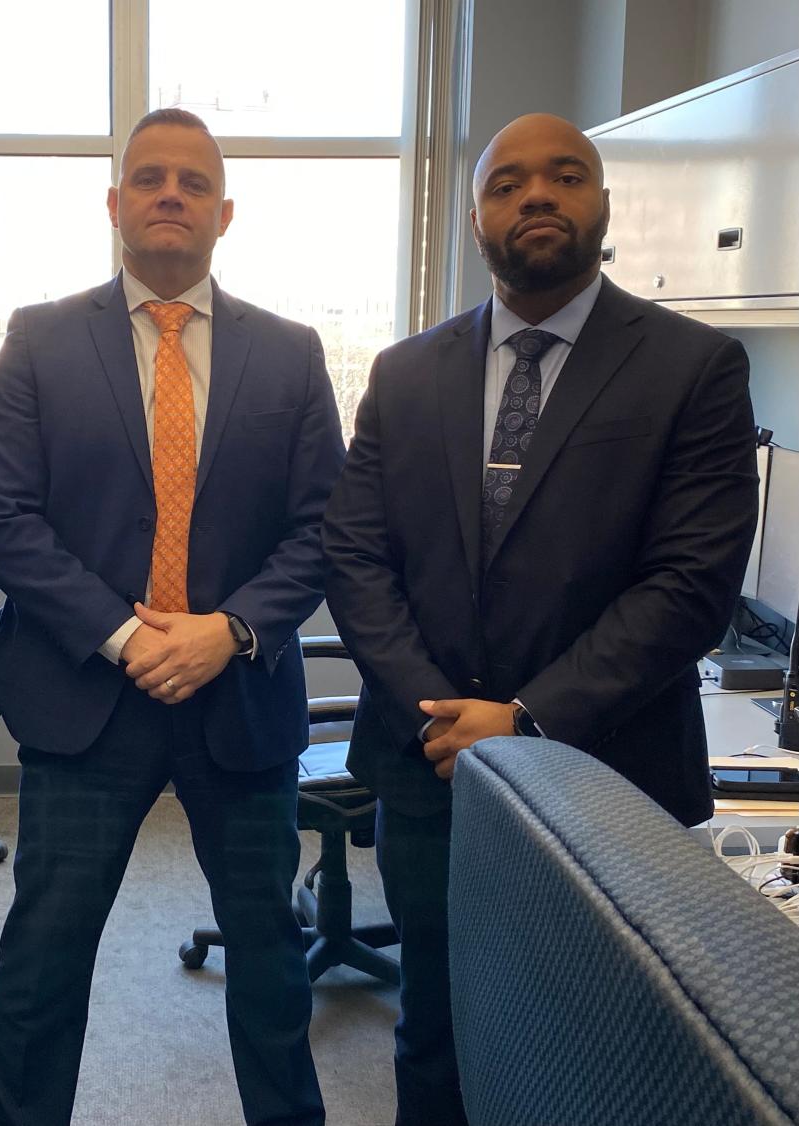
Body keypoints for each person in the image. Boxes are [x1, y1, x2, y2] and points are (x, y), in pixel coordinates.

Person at [322, 112, 759, 1126]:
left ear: (600, 205)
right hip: (428, 769)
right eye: (506, 182)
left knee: (595, 1048)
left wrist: (522, 718)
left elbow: (688, 585)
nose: (534, 195)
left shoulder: (692, 368)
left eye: (564, 176)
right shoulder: (403, 373)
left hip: (611, 776)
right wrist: (441, 710)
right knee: (431, 1025)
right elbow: (354, 554)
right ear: (474, 215)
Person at [0, 107, 344, 1126]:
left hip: (240, 698)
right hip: (86, 697)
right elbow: (0, 515)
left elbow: (323, 529)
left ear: (225, 211)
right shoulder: (39, 341)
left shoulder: (289, 353)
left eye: (190, 180)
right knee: (43, 961)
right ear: (113, 204)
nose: (168, 194)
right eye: (148, 178)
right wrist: (129, 633)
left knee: (270, 961)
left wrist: (226, 629)